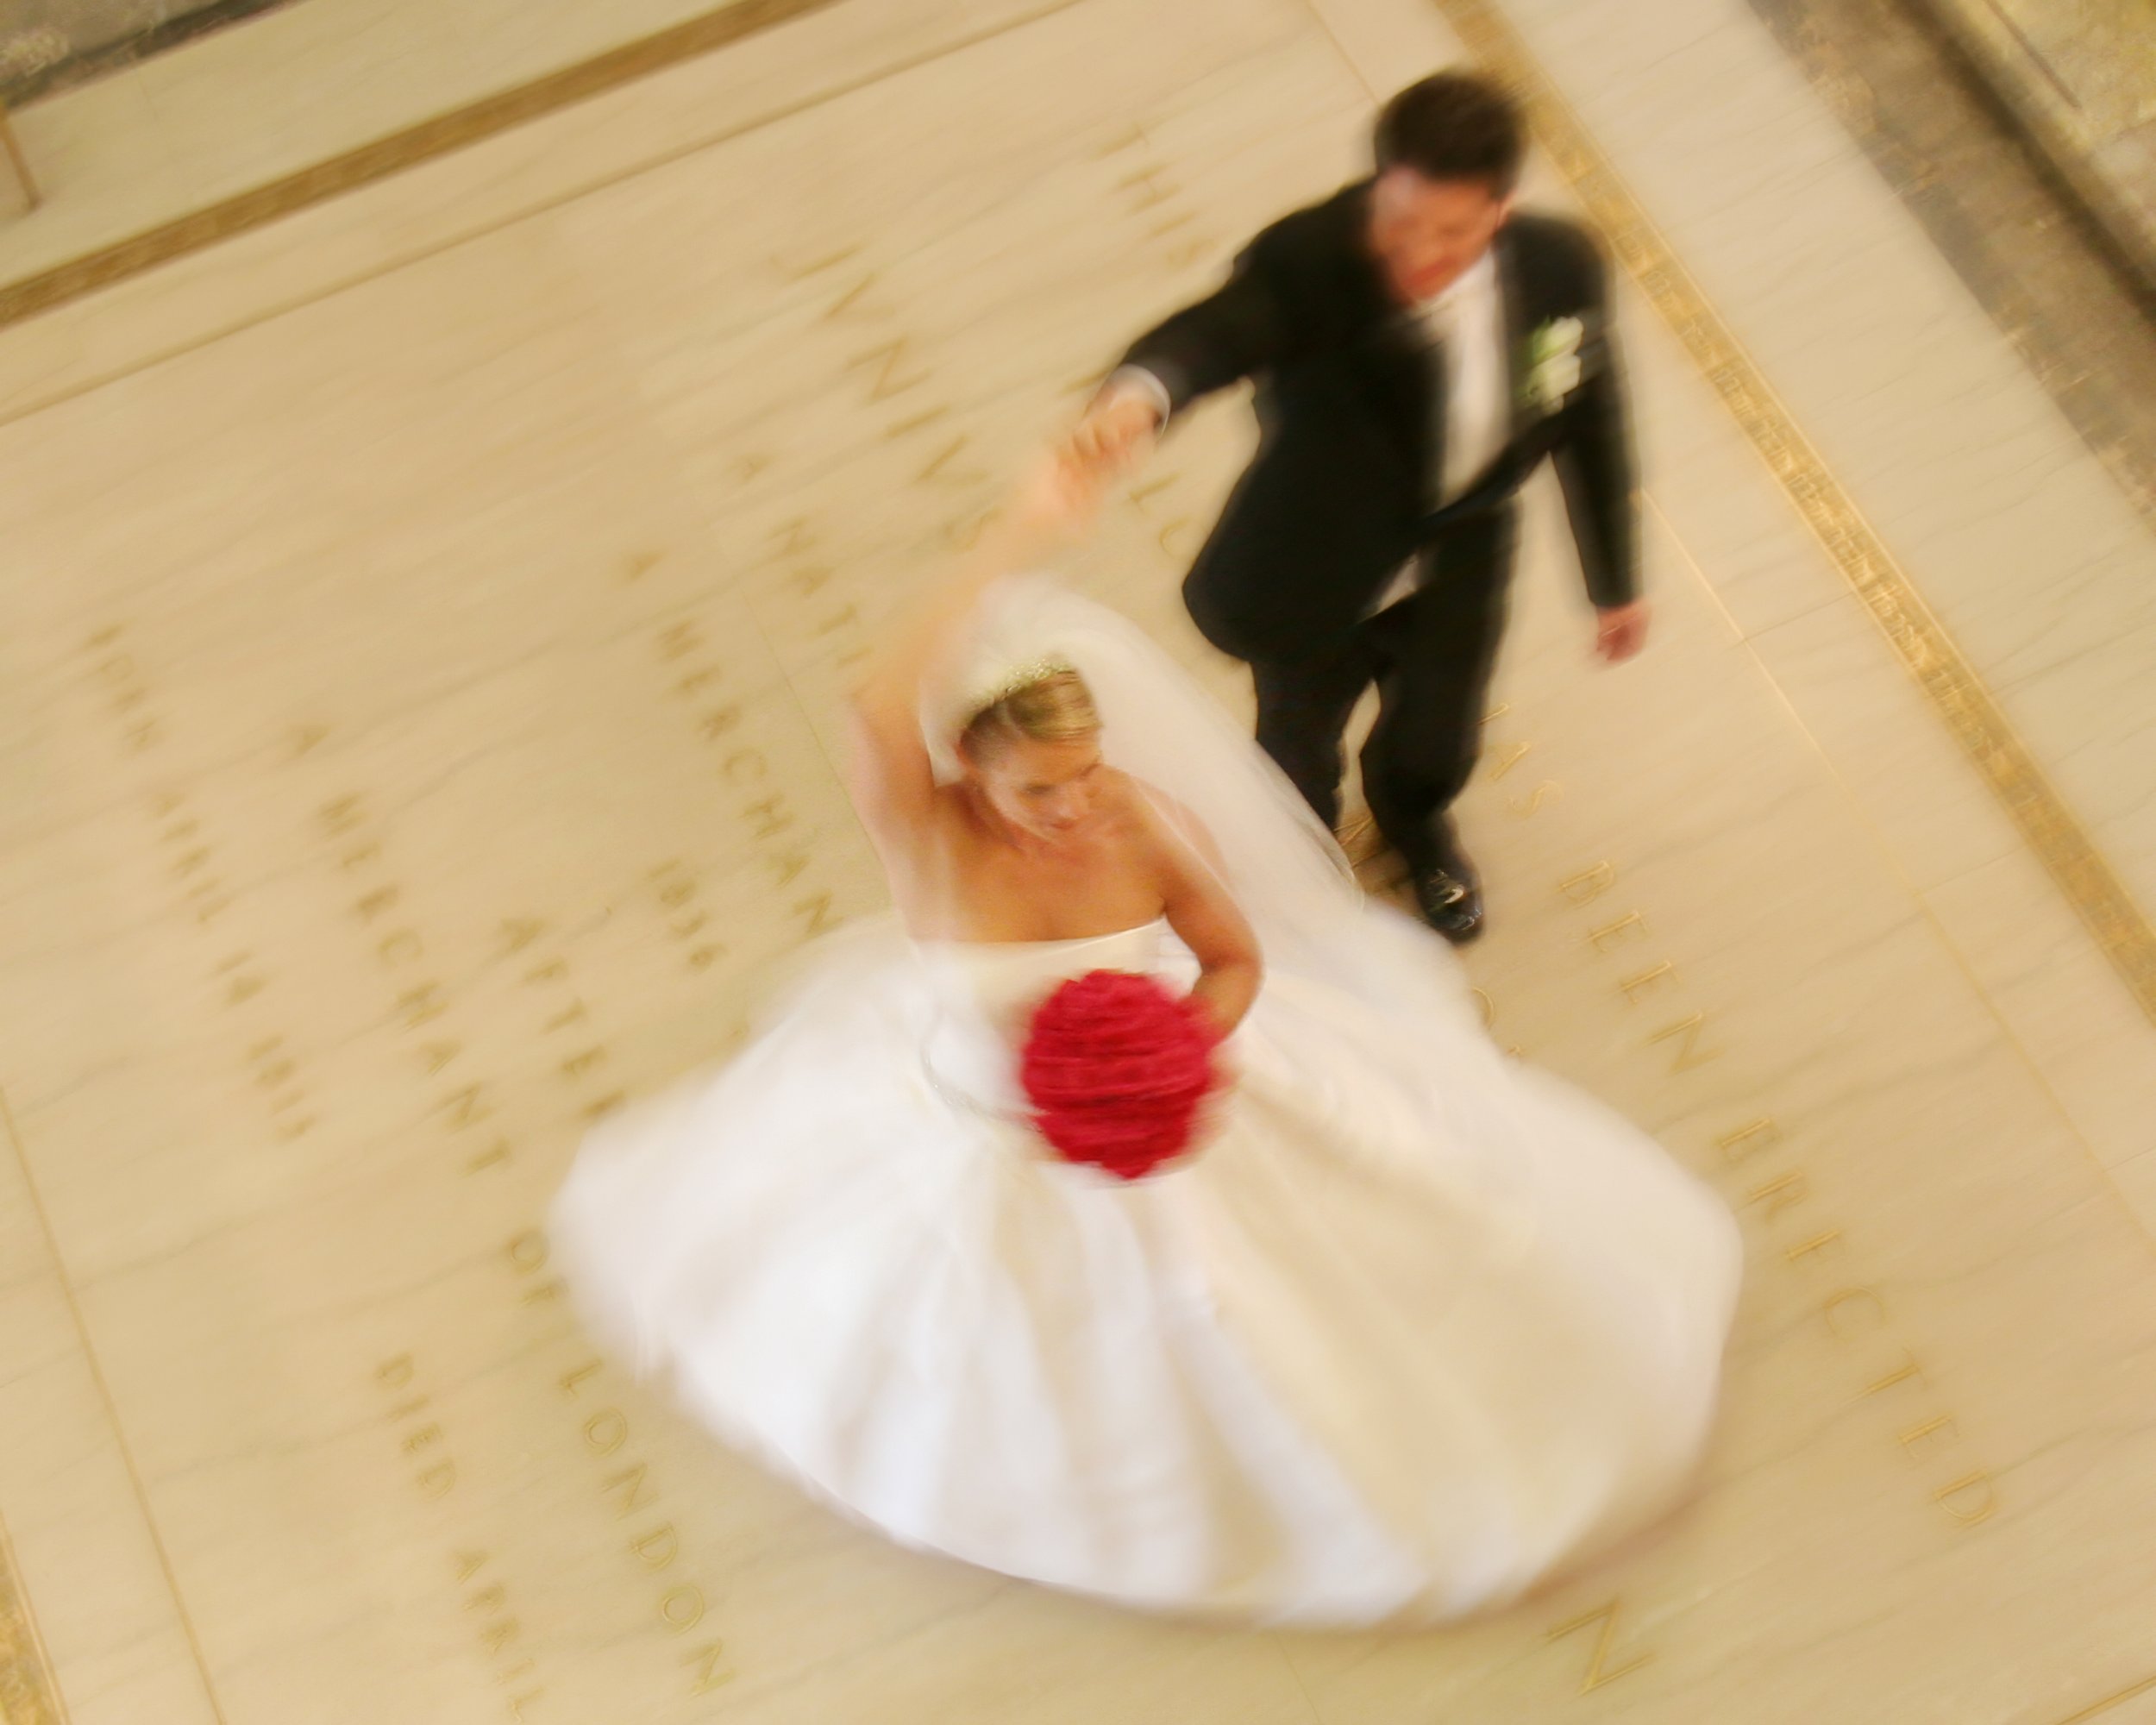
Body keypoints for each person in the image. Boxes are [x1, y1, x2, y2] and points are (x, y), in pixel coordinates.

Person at [548, 452, 1739, 1626]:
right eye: (1037, 792)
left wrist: (1180, 1044)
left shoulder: (1141, 823)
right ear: (969, 764)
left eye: (1084, 774)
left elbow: (1232, 962)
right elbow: (872, 705)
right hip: (973, 1141)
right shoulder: (928, 837)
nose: (1074, 809)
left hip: (1176, 1119)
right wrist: (1019, 530)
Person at [1073, 70, 1642, 944]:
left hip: (1463, 550)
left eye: (1450, 233)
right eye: (1401, 221)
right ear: (1381, 185)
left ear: (1499, 209)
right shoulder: (1309, 257)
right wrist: (1142, 394)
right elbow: (1220, 330)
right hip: (1316, 553)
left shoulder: (1560, 269)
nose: (1418, 254)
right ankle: (1300, 874)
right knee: (1294, 745)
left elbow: (1589, 416)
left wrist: (1614, 580)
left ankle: (1417, 829)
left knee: (1438, 737)